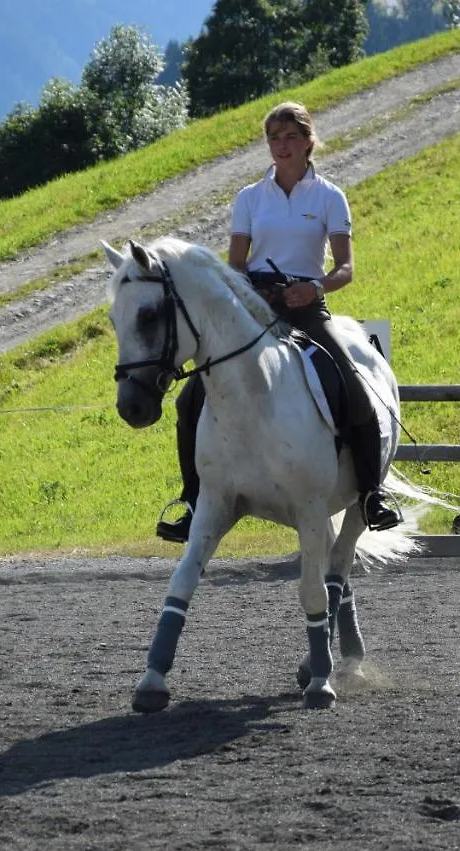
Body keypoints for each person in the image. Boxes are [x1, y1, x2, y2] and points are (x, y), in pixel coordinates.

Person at [156, 101, 401, 543]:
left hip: (308, 309)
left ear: (309, 142)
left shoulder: (329, 196)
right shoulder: (249, 198)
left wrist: (315, 287)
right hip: (256, 311)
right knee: (189, 399)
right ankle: (192, 500)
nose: (281, 146)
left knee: (355, 388)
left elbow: (346, 267)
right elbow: (234, 264)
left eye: (290, 137)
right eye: (274, 138)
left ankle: (371, 494)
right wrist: (255, 290)